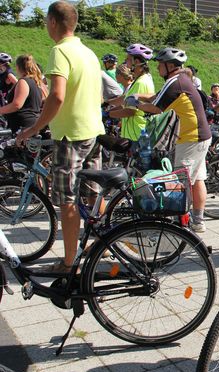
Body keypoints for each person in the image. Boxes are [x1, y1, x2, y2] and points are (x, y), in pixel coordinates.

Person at [17, 0, 104, 273]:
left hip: (70, 135)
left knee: (67, 200)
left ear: (53, 22)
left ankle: (69, 264)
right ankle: (100, 247)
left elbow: (56, 95)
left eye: (46, 21)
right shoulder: (89, 53)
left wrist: (32, 129)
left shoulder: (60, 51)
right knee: (93, 196)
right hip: (93, 131)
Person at [128, 47, 212, 233]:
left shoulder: (175, 82)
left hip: (191, 137)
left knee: (182, 181)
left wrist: (136, 104)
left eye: (160, 64)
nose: (157, 68)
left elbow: (156, 108)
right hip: (199, 136)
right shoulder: (180, 80)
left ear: (169, 66)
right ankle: (197, 221)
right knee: (197, 179)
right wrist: (137, 97)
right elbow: (157, 97)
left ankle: (182, 224)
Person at [107, 43, 155, 143]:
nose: (125, 62)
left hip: (136, 135)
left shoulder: (141, 83)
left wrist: (109, 115)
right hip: (133, 133)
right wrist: (109, 109)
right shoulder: (139, 80)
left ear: (136, 62)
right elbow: (126, 104)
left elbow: (130, 111)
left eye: (128, 59)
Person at [0, 54, 48, 134]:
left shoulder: (24, 81)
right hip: (33, 123)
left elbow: (16, 105)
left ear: (18, 67)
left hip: (22, 125)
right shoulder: (38, 82)